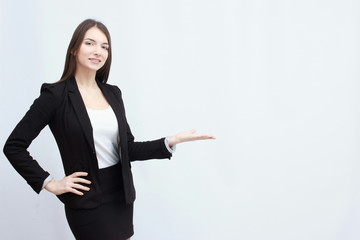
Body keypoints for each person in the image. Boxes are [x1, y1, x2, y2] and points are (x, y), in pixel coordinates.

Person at [3, 19, 215, 240]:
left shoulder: (113, 93)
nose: (98, 51)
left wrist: (170, 141)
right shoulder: (55, 95)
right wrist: (50, 183)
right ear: (74, 49)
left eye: (105, 46)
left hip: (120, 194)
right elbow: (14, 146)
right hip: (87, 200)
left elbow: (128, 149)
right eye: (90, 43)